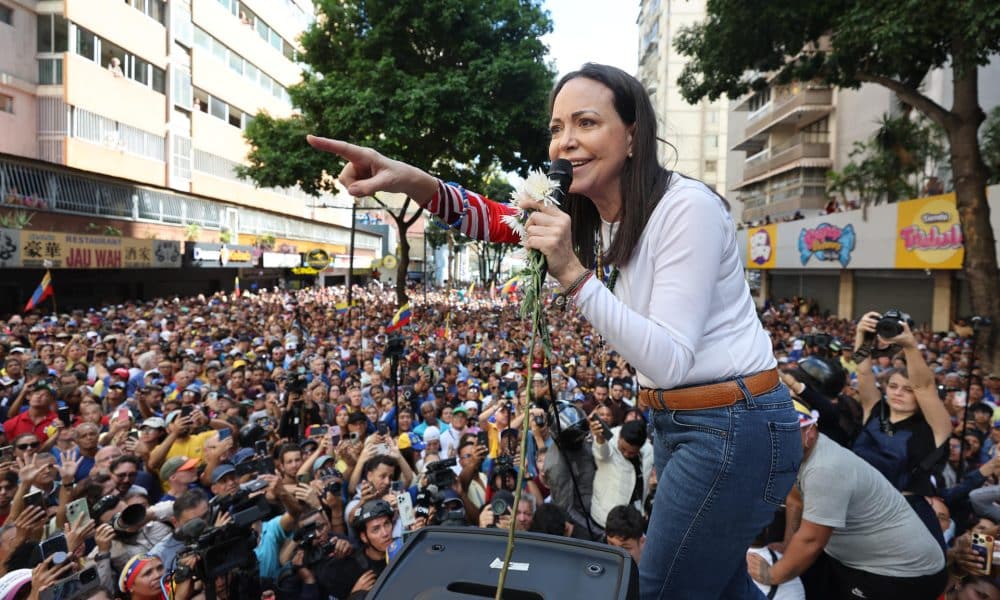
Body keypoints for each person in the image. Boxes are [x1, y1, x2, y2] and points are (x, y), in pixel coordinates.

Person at [308, 61, 801, 598]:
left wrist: (570, 270)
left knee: (661, 590)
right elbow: (502, 219)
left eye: (586, 123)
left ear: (634, 134)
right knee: (721, 589)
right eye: (556, 128)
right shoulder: (602, 211)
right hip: (689, 424)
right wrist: (411, 179)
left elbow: (669, 360)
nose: (565, 142)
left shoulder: (687, 209)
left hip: (732, 428)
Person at [748, 401, 947, 599]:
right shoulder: (799, 454)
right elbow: (796, 500)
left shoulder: (825, 468)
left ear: (810, 431)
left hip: (901, 574)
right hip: (870, 561)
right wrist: (788, 544)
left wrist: (772, 574)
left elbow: (812, 540)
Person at [851, 311, 951, 549]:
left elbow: (924, 385)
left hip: (905, 520)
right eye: (893, 386)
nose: (897, 392)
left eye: (907, 390)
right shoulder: (874, 411)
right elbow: (863, 371)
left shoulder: (935, 427)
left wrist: (910, 346)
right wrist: (862, 336)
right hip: (857, 509)